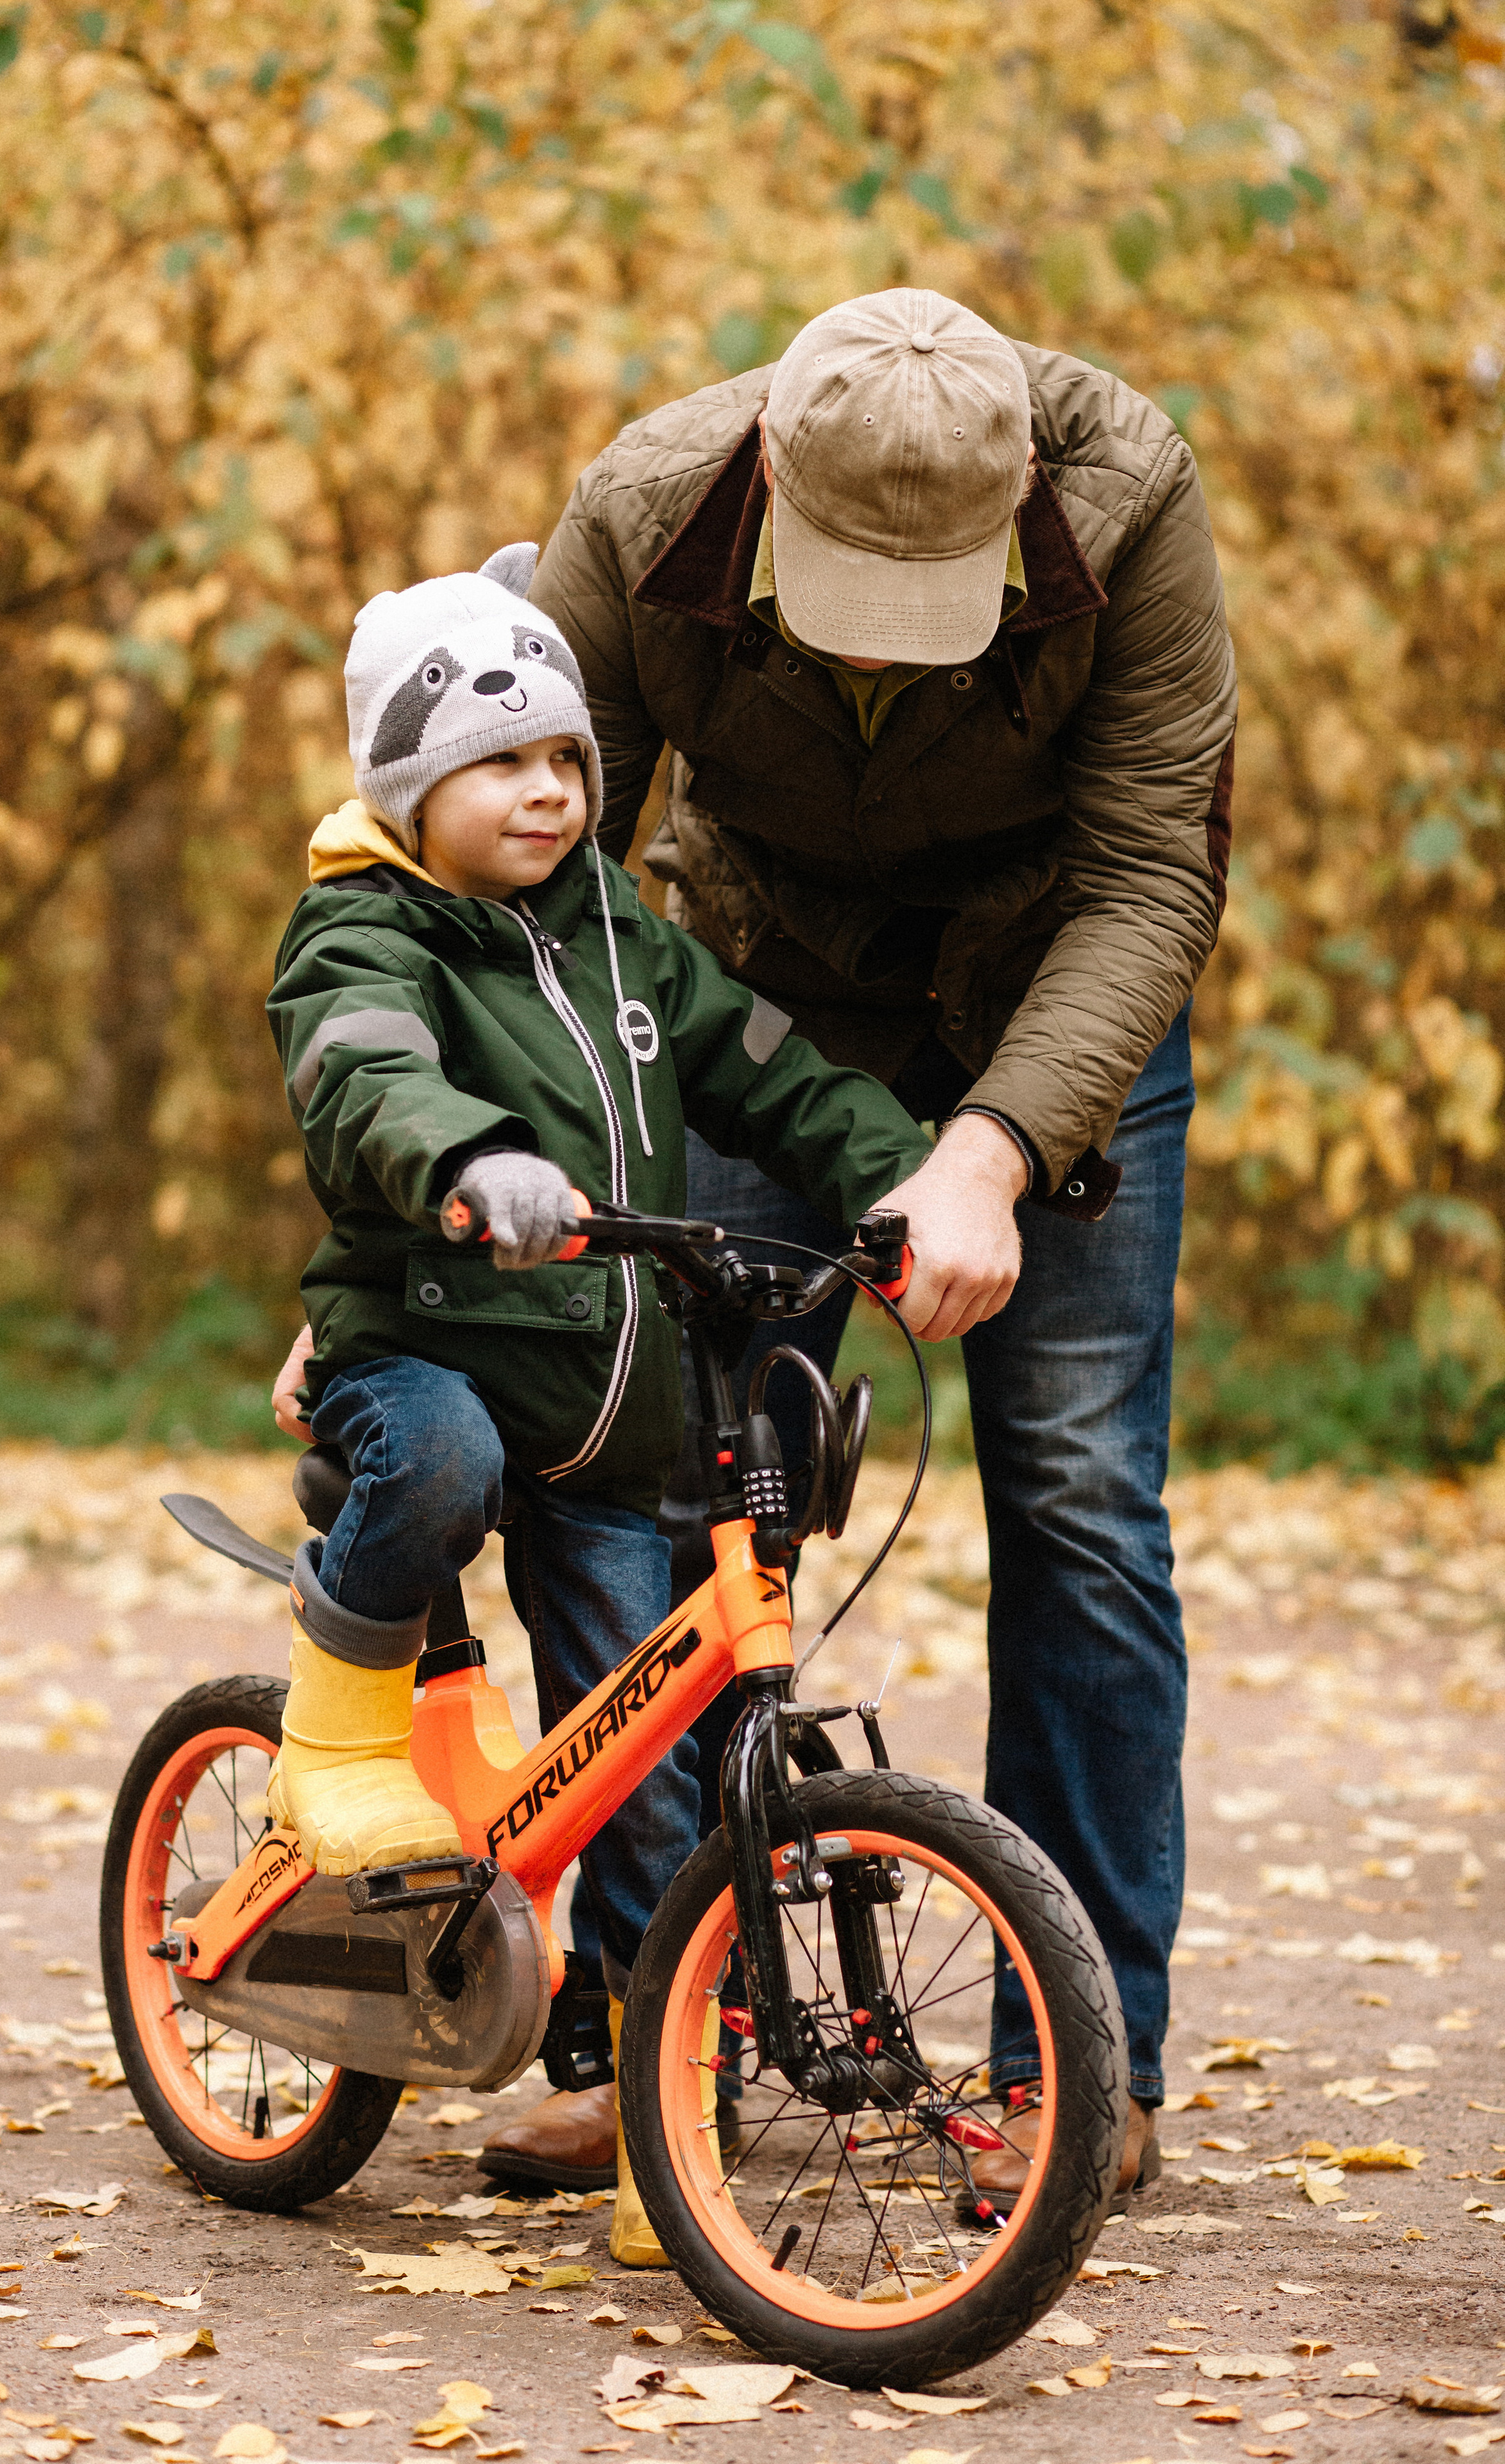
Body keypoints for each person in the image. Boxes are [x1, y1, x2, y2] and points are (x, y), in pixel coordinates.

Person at [477, 286, 1238, 2212]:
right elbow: (518, 884)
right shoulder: (645, 516)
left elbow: (1158, 865)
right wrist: (466, 1189)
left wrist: (991, 1150)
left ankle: (1082, 2067)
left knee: (1075, 1502)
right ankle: (661, 2038)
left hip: (1049, 1008)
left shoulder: (1132, 499)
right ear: (770, 485)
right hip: (756, 1016)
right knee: (671, 1500)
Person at [264, 545, 934, 2262]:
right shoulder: (364, 923)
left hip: (609, 1413)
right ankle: (334, 1749)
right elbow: (362, 1073)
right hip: (428, 1349)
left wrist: (899, 1183)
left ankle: (659, 2103)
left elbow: (763, 1062)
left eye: (567, 758)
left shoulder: (619, 932)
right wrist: (466, 1159)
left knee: (650, 1758)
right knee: (441, 1459)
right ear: (412, 787)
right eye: (500, 762)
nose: (549, 789)